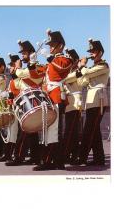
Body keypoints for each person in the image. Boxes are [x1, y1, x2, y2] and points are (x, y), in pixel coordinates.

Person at [31, 29, 73, 171]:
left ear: (60, 45)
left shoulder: (65, 58)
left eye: (52, 44)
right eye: (49, 45)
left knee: (54, 130)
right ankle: (52, 160)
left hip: (56, 95)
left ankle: (54, 161)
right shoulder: (51, 62)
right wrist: (31, 64)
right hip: (48, 96)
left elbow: (63, 67)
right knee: (48, 129)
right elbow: (36, 75)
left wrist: (49, 58)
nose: (50, 47)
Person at [76, 38, 110, 166]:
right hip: (91, 102)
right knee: (94, 132)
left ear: (100, 52)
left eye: (93, 51)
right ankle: (99, 158)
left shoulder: (103, 65)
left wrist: (83, 66)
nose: (91, 54)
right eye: (90, 51)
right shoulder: (93, 68)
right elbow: (82, 82)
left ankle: (82, 158)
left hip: (98, 101)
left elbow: (88, 73)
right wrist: (80, 70)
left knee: (88, 131)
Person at [63, 48, 82, 164]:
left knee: (72, 131)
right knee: (70, 130)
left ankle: (73, 155)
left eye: (69, 58)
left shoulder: (77, 71)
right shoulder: (69, 71)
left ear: (75, 60)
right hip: (69, 103)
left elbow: (64, 79)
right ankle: (70, 154)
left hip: (75, 102)